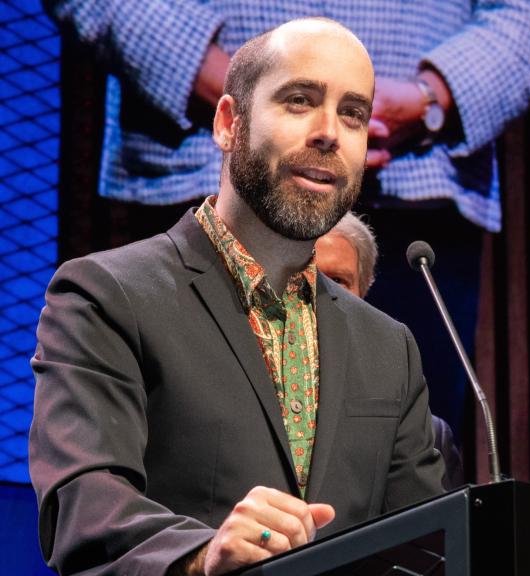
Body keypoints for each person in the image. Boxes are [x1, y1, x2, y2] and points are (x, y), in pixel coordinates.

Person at [30, 18, 444, 576]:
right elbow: (83, 504)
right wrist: (202, 558)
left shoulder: (390, 347)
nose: (330, 132)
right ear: (228, 123)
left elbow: (423, 549)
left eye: (353, 113)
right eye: (300, 101)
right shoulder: (107, 295)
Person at [45, 0, 530, 440]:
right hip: (204, 166)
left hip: (419, 193)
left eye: (347, 113)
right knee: (191, 457)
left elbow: (529, 15)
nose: (327, 128)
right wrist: (244, 96)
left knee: (408, 481)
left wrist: (430, 99)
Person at [315, 214, 465, 489]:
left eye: (338, 280)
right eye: (307, 277)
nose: (321, 293)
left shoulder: (430, 439)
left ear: (363, 292)